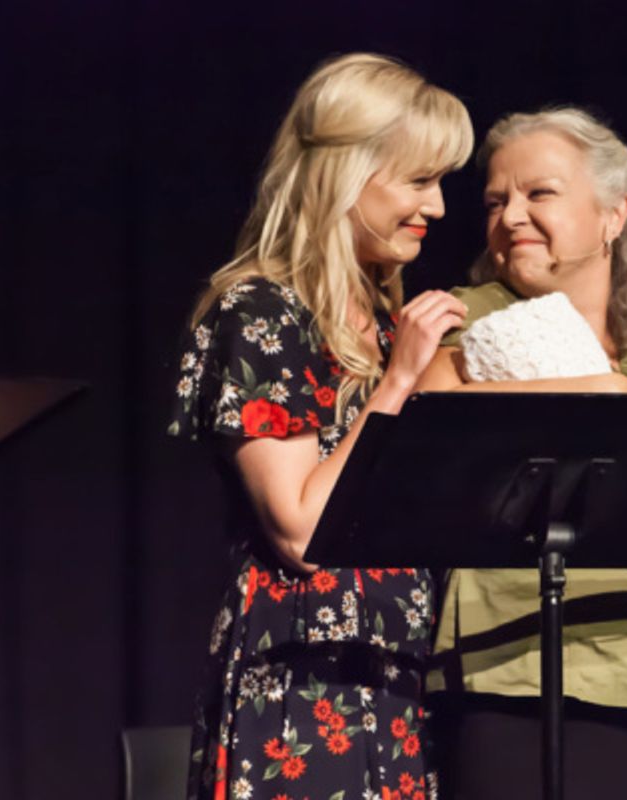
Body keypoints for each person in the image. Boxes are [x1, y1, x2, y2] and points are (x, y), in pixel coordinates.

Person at [167, 53, 472, 800]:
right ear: (347, 173)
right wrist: (397, 384)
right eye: (418, 180)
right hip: (303, 681)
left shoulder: (388, 326)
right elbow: (301, 532)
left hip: (398, 679)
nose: (436, 207)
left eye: (441, 183)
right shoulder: (262, 314)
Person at [416, 107, 627, 798]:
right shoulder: (471, 317)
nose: (511, 216)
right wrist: (600, 391)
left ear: (614, 216)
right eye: (495, 201)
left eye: (540, 193)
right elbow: (431, 422)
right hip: (517, 679)